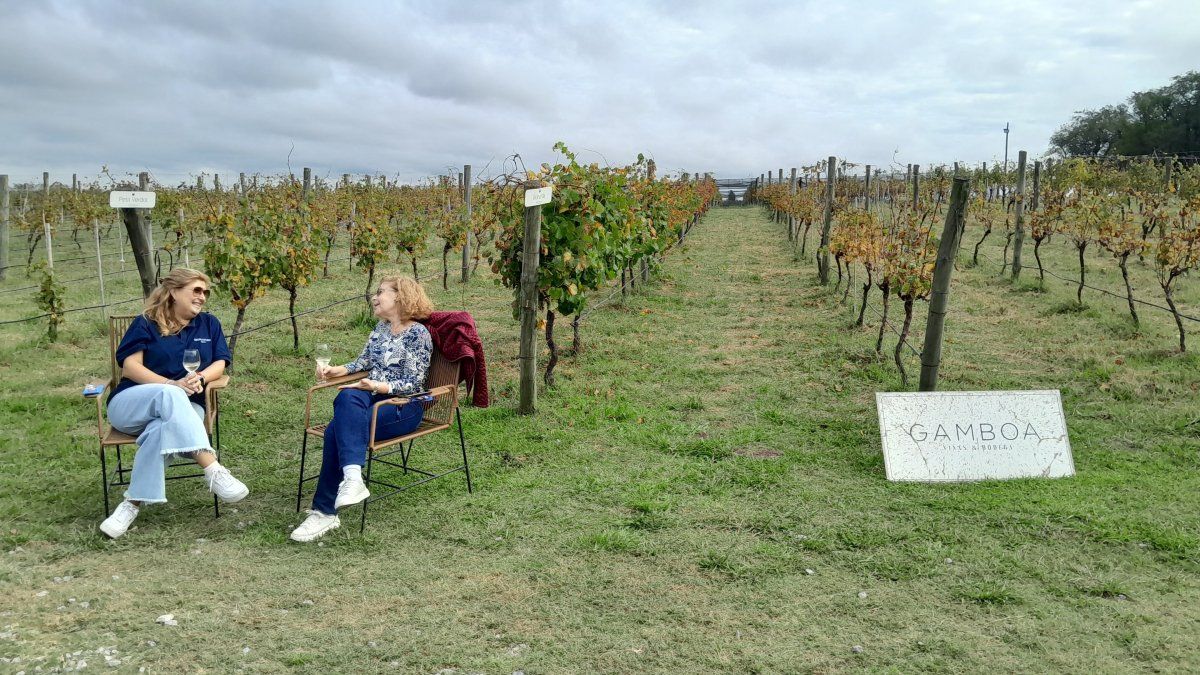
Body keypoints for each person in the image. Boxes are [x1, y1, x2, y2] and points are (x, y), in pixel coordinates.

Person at [99, 269, 248, 539]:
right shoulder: (146, 322)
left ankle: (130, 505)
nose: (202, 297)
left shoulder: (209, 324)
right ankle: (212, 468)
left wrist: (199, 377)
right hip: (133, 403)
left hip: (186, 408)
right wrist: (172, 386)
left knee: (161, 429)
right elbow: (131, 368)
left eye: (205, 292)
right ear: (173, 292)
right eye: (196, 290)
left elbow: (220, 363)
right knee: (171, 395)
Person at [290, 274, 434, 542]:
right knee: (346, 396)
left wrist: (376, 386)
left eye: (381, 292)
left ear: (400, 297)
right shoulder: (380, 329)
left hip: (405, 405)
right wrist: (338, 371)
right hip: (372, 399)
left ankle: (324, 512)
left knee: (336, 430)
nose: (374, 297)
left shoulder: (418, 334)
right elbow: (363, 361)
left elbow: (413, 383)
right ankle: (353, 479)